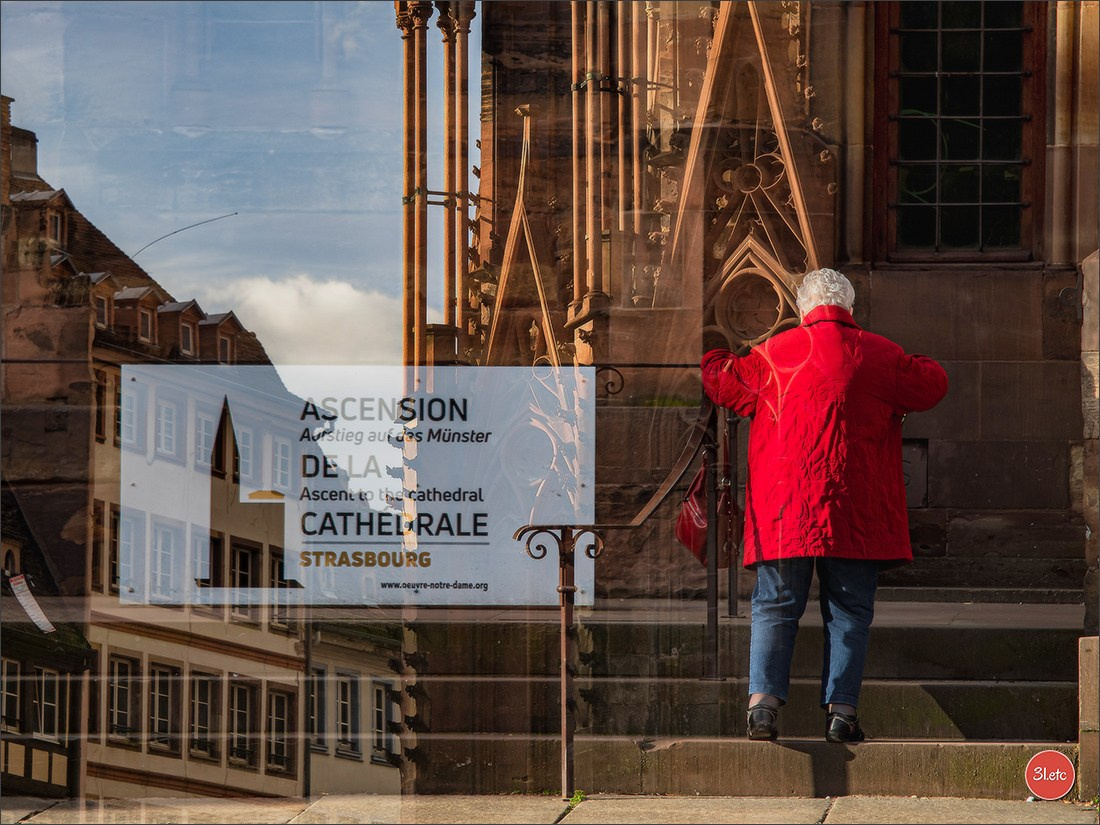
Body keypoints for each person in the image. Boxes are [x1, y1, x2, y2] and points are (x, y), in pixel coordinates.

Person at [700, 267, 948, 743]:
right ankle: (841, 714)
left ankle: (763, 708)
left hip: (784, 507)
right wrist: (904, 357)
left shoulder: (771, 356)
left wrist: (716, 350)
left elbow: (720, 378)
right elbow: (931, 382)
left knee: (775, 604)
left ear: (802, 309)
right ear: (849, 309)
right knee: (850, 609)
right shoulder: (880, 354)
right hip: (854, 508)